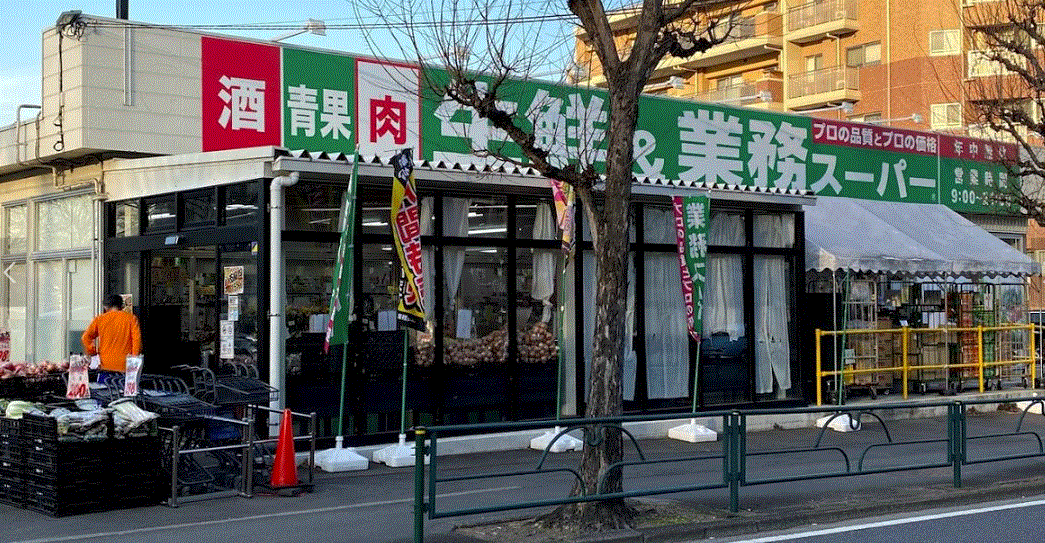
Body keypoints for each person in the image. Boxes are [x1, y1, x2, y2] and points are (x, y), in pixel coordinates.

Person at [82, 294, 142, 373]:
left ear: (105, 307)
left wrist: (92, 352)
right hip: (126, 364)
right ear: (122, 306)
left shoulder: (99, 319)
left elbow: (86, 337)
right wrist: (134, 358)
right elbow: (137, 341)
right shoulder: (131, 319)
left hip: (105, 364)